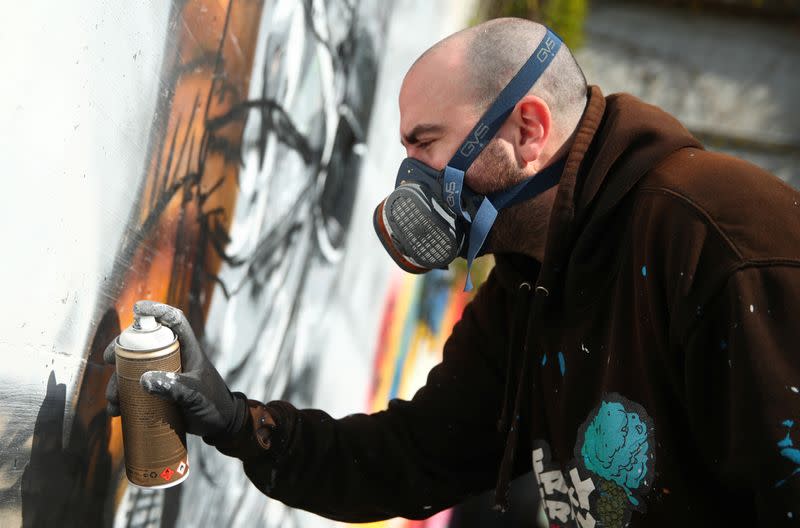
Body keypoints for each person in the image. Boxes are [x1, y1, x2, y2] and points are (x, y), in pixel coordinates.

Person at [105, 17, 800, 527]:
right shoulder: (530, 283)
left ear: (527, 130)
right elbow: (408, 461)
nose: (411, 178)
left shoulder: (720, 244)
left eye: (426, 144)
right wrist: (233, 420)